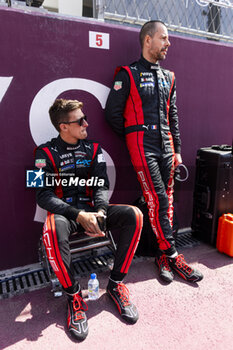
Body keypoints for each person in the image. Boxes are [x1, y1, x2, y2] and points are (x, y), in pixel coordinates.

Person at [35, 99, 143, 341]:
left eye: (84, 118)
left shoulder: (94, 149)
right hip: (67, 214)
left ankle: (116, 285)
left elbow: (101, 185)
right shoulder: (42, 153)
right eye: (80, 120)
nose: (86, 123)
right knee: (52, 228)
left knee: (134, 215)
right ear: (63, 126)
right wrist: (79, 215)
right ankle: (74, 297)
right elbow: (43, 196)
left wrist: (102, 212)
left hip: (94, 210)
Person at [105, 20, 203, 284]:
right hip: (142, 145)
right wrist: (134, 137)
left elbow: (173, 116)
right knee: (157, 198)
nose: (168, 43)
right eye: (164, 38)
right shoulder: (128, 73)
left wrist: (178, 150)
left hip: (167, 146)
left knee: (168, 200)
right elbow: (112, 114)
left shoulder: (169, 77)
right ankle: (172, 253)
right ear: (148, 40)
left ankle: (161, 254)